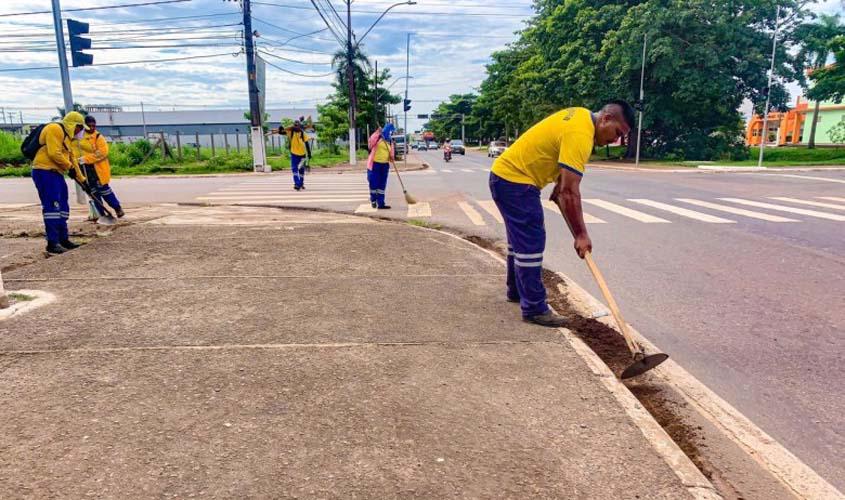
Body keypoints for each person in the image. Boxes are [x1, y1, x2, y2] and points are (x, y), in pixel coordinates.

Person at [489, 100, 635, 327]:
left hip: (506, 178)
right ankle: (535, 308)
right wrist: (581, 235)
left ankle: (517, 292)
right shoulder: (581, 134)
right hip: (515, 181)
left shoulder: (580, 118)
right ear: (606, 118)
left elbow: (562, 189)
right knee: (531, 243)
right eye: (617, 132)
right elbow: (569, 192)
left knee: (519, 243)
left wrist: (561, 192)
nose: (615, 140)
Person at [31, 111, 89, 254]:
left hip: (57, 173)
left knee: (63, 207)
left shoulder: (68, 138)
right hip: (44, 172)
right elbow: (54, 153)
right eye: (80, 128)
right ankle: (52, 242)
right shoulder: (54, 129)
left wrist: (82, 180)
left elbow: (72, 160)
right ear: (74, 125)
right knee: (52, 208)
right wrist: (69, 167)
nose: (81, 132)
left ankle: (63, 239)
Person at [78, 115, 124, 218]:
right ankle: (101, 215)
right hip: (85, 170)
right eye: (89, 126)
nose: (92, 128)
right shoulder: (79, 137)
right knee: (93, 193)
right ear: (85, 126)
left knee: (105, 191)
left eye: (93, 126)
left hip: (98, 170)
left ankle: (117, 208)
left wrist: (86, 159)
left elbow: (102, 153)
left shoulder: (99, 137)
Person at [366, 123, 395, 209]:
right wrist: (377, 133)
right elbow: (370, 143)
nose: (390, 133)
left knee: (382, 185)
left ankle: (381, 203)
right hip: (374, 164)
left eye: (391, 132)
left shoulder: (389, 141)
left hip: (384, 165)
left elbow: (391, 153)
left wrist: (391, 157)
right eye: (389, 131)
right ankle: (373, 200)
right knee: (374, 183)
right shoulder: (378, 137)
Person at [280, 119, 312, 190]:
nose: (297, 127)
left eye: (298, 126)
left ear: (299, 126)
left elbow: (307, 143)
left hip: (302, 154)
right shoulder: (290, 132)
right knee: (294, 169)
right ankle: (297, 184)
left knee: (301, 169)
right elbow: (281, 132)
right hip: (294, 154)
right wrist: (281, 128)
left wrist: (309, 153)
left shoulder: (302, 133)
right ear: (293, 126)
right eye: (295, 126)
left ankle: (301, 183)